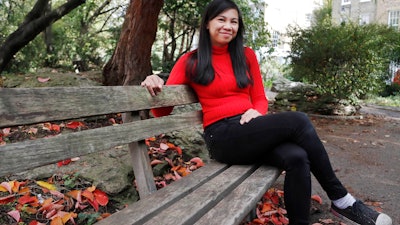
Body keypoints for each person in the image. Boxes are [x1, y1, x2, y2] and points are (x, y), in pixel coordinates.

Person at [141, 0, 393, 224]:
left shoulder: (246, 55)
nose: (228, 26)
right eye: (221, 20)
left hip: (250, 130)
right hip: (223, 137)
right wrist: (155, 82)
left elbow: (260, 98)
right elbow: (161, 112)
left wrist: (255, 111)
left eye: (234, 22)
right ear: (207, 24)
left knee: (296, 157)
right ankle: (342, 200)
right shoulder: (191, 60)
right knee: (298, 120)